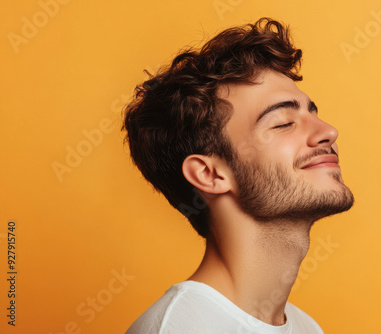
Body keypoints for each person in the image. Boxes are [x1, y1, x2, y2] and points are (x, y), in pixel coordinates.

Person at [122, 17, 354, 334]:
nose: (328, 131)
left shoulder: (306, 328)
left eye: (312, 112)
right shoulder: (180, 328)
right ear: (210, 174)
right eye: (284, 122)